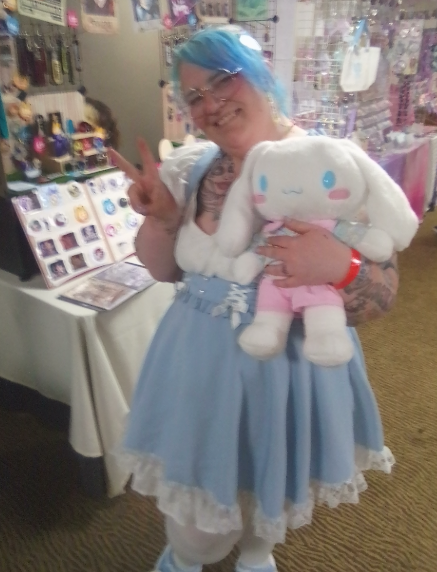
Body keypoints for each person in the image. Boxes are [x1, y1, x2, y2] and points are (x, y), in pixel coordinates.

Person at [110, 27, 398, 572]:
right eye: (194, 95)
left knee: (272, 493)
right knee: (198, 535)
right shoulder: (193, 168)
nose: (211, 103)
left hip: (290, 368)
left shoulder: (326, 161)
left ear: (262, 75)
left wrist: (341, 266)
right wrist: (165, 219)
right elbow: (163, 269)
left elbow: (383, 294)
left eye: (222, 80)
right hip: (198, 365)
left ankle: (257, 556)